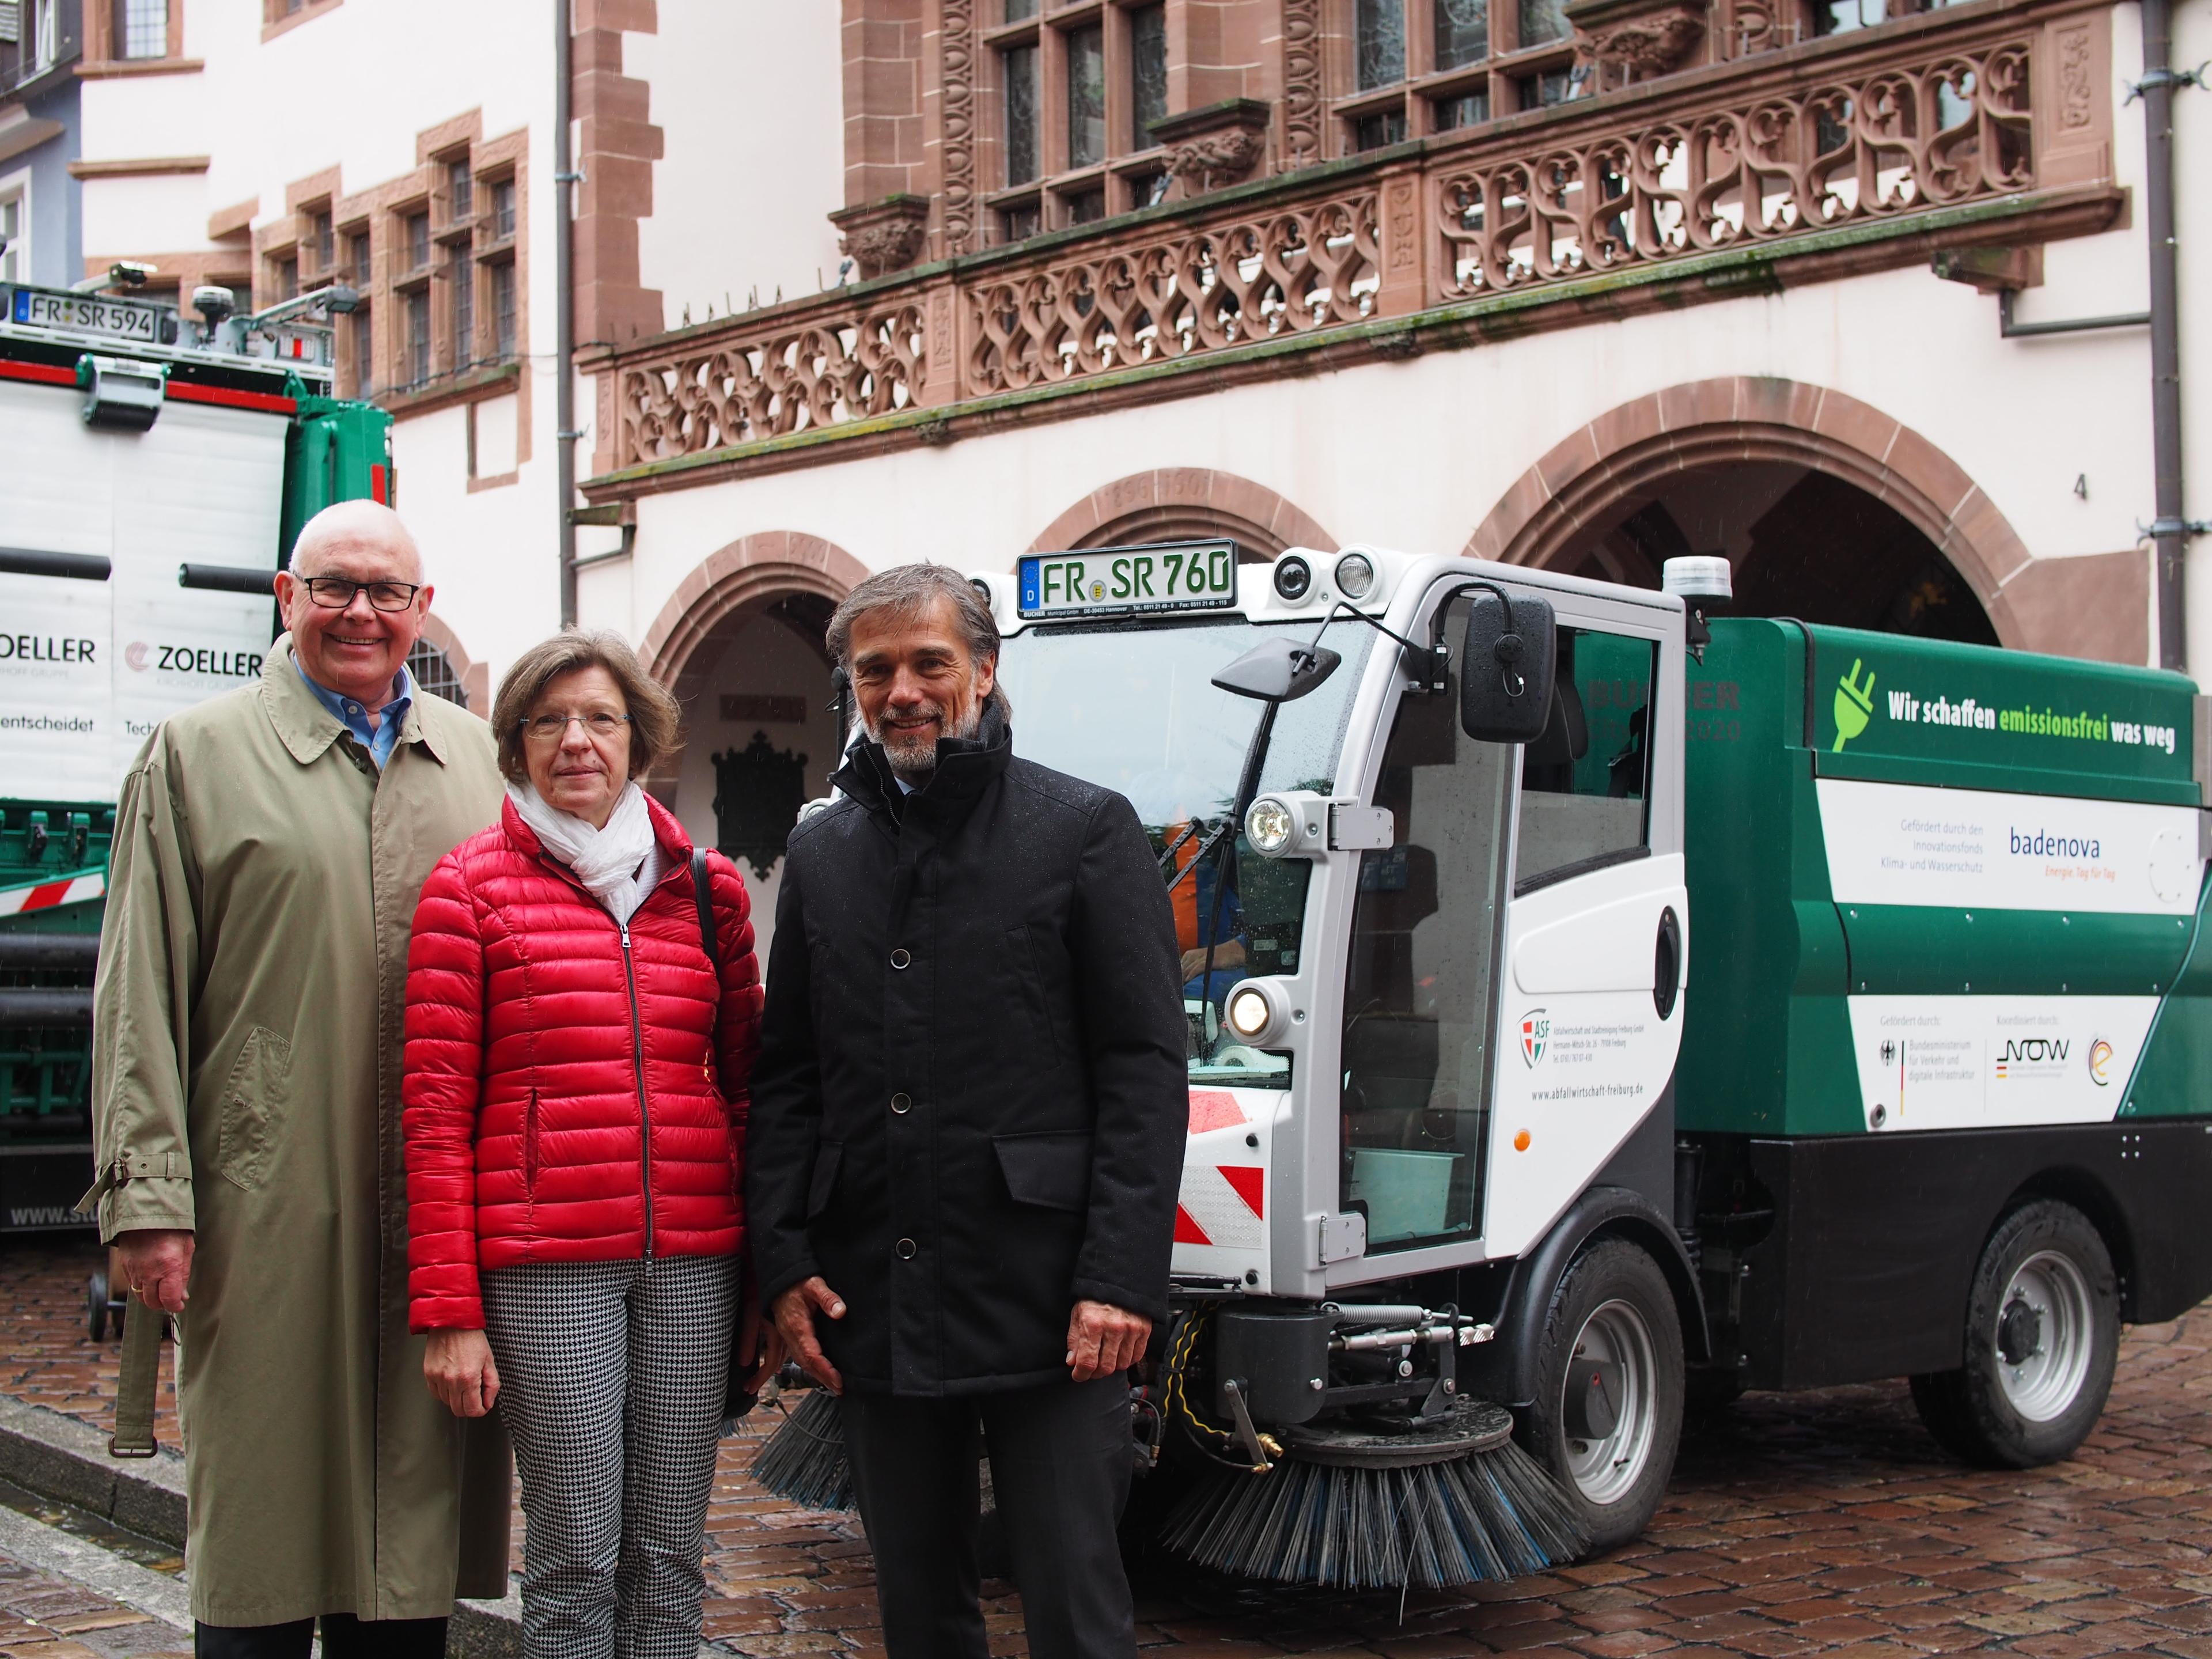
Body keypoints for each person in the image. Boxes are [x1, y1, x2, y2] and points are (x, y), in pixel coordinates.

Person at [84, 500, 510, 1659]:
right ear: (287, 596)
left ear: (422, 611)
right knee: (263, 1536)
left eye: (387, 592)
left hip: (435, 1216)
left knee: (408, 1563)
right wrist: (148, 1199)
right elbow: (137, 998)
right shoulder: (197, 756)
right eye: (334, 588)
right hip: (261, 1198)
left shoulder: (478, 763)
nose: (360, 614)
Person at [747, 564, 1187, 1659]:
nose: (904, 690)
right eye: (876, 670)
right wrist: (784, 1256)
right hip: (873, 1296)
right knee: (919, 1609)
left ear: (983, 673)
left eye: (930, 663)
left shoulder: (1082, 827)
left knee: (1075, 1603)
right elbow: (790, 1070)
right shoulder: (822, 848)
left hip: (1047, 1297)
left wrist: (1118, 1279)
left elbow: (1141, 1068)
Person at [402, 628, 763, 1659]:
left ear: (637, 736)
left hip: (696, 1264)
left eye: (600, 718)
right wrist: (450, 1313)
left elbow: (751, 1090)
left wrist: (762, 1269)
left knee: (671, 1557)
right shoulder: (468, 889)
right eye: (549, 721)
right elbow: (433, 1116)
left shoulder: (710, 890)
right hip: (547, 1268)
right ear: (515, 744)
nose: (576, 741)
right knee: (571, 1561)